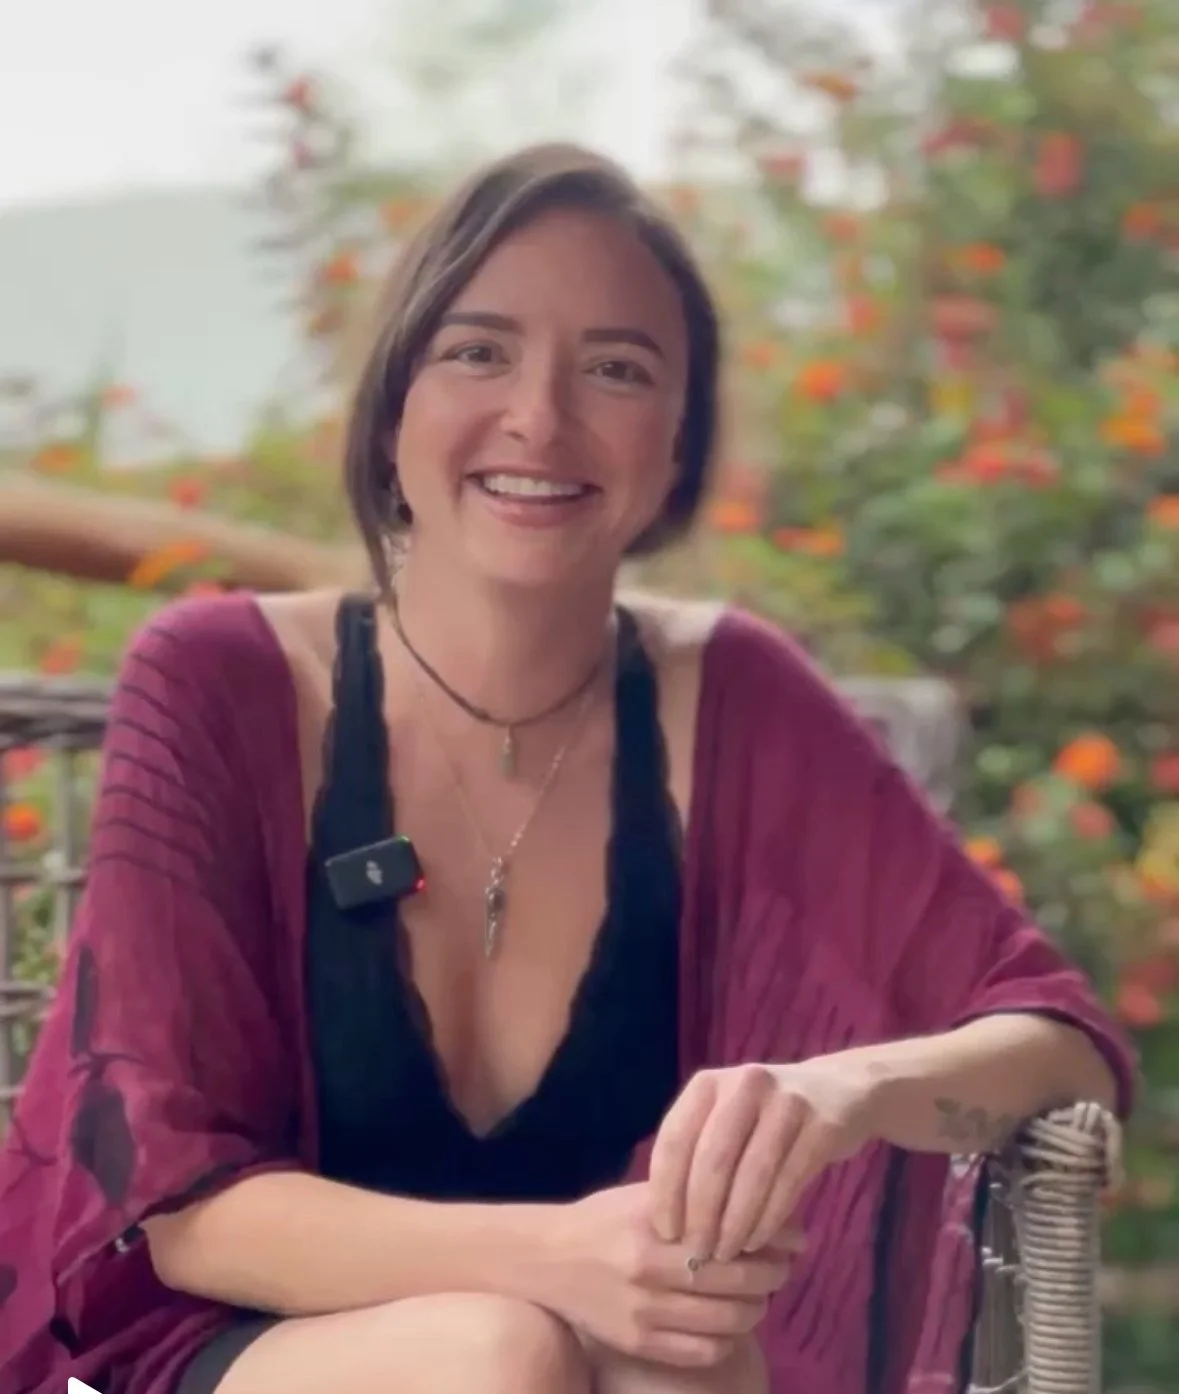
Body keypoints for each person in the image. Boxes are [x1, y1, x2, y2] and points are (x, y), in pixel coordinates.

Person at [0, 143, 1135, 1394]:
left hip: (604, 1357)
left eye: (616, 368)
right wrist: (558, 1259)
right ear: (392, 411)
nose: (540, 416)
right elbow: (175, 1206)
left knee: (673, 1356)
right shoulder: (219, 678)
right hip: (217, 1345)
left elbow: (1062, 1048)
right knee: (504, 1352)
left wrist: (842, 1086)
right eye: (478, 351)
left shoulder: (734, 698)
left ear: (676, 443)